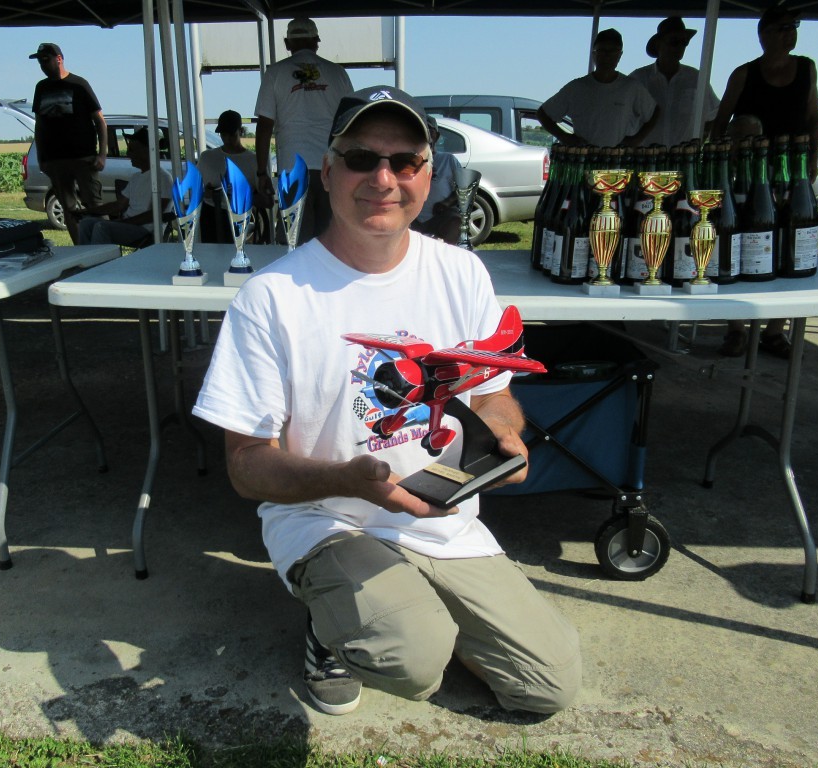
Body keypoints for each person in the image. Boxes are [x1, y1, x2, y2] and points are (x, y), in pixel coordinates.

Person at [194, 86, 581, 718]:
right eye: (360, 158)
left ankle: (409, 604)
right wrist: (351, 480)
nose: (383, 178)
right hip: (329, 517)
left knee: (548, 686)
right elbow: (245, 465)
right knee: (413, 659)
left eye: (405, 162)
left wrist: (506, 438)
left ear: (429, 176)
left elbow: (494, 395)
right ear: (327, 170)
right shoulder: (271, 295)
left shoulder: (463, 272)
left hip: (441, 513)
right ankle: (336, 630)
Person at [711, 4, 818, 359]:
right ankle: (735, 329)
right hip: (747, 174)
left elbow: (813, 116)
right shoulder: (745, 73)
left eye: (794, 27)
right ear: (764, 34)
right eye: (782, 28)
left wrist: (813, 161)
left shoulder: (806, 68)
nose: (789, 34)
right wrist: (725, 158)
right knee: (737, 244)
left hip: (791, 172)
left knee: (789, 248)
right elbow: (720, 122)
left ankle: (775, 331)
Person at [254, 17, 353, 245]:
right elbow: (351, 123)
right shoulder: (338, 73)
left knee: (293, 245)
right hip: (332, 168)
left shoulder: (275, 73)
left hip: (292, 170)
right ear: (317, 41)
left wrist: (262, 173)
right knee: (333, 245)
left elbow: (264, 126)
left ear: (287, 43)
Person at [29, 42, 108, 245]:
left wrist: (102, 154)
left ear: (59, 59)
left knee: (94, 205)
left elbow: (99, 120)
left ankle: (107, 249)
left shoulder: (78, 84)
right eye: (39, 62)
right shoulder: (41, 87)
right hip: (55, 159)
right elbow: (40, 125)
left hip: (83, 157)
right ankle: (79, 250)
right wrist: (41, 158)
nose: (43, 65)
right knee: (68, 207)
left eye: (46, 60)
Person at [537, 28, 659, 148]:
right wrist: (564, 136)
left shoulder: (632, 88)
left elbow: (654, 112)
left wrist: (636, 139)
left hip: (618, 162)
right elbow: (543, 113)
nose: (607, 56)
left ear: (620, 55)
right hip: (584, 161)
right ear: (594, 54)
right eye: (602, 51)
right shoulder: (577, 87)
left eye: (612, 51)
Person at [630, 17, 720, 147]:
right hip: (646, 160)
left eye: (684, 42)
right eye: (674, 41)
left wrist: (699, 141)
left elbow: (714, 115)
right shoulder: (639, 79)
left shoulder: (696, 78)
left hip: (683, 161)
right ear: (658, 44)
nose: (680, 46)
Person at [75, 127, 171, 247]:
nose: (128, 154)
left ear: (147, 151)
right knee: (86, 223)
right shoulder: (136, 177)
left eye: (132, 150)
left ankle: (101, 265)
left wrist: (124, 223)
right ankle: (85, 263)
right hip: (129, 225)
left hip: (147, 231)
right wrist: (87, 212)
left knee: (102, 228)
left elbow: (155, 214)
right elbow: (118, 205)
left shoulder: (163, 178)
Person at [197, 110, 269, 244]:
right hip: (210, 217)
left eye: (232, 134)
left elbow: (267, 200)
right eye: (224, 134)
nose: (228, 139)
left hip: (240, 216)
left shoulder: (254, 160)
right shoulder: (206, 158)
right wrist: (206, 193)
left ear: (240, 131)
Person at [410, 115, 462, 244]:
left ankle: (450, 256)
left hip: (440, 216)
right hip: (412, 216)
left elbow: (463, 190)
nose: (426, 134)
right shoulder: (407, 159)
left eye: (430, 131)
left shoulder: (448, 160)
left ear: (437, 136)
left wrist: (446, 203)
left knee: (456, 221)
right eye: (423, 131)